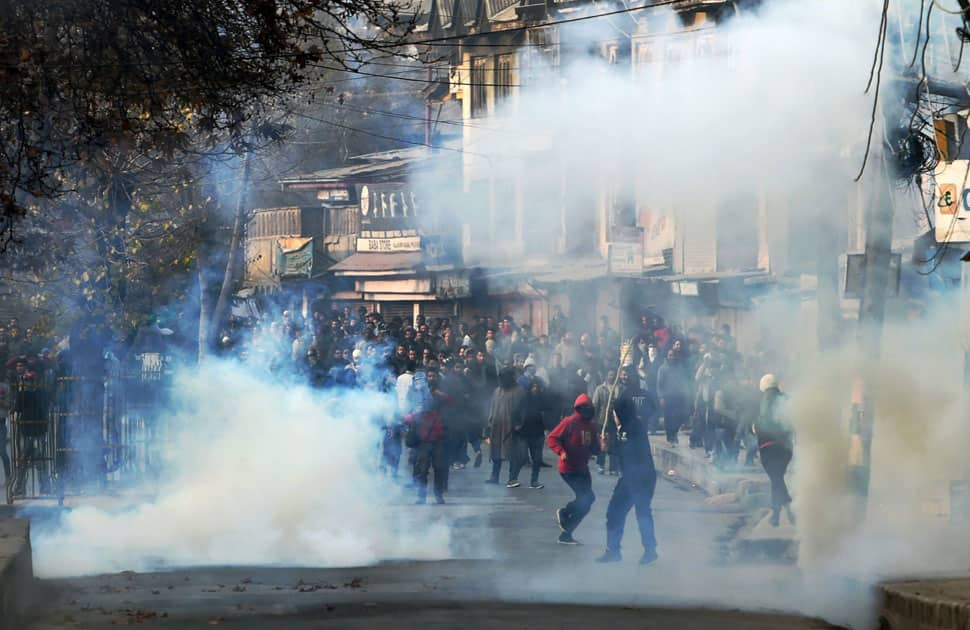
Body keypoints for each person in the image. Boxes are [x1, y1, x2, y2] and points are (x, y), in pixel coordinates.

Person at [596, 373, 659, 566]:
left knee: (629, 512)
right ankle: (623, 550)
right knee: (628, 512)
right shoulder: (629, 426)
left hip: (638, 478)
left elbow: (627, 451)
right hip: (637, 476)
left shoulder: (630, 428)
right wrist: (608, 445)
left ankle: (643, 551)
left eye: (615, 413)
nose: (613, 416)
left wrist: (609, 447)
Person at [547, 393, 601, 545]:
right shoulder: (569, 422)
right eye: (584, 408)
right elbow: (552, 438)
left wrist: (602, 446)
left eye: (590, 408)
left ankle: (566, 534)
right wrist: (561, 451)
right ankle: (565, 512)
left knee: (587, 500)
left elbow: (594, 449)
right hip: (569, 469)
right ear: (578, 408)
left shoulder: (591, 426)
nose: (587, 411)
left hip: (583, 468)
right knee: (586, 498)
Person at [756, 374, 795, 527]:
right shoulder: (787, 398)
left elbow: (765, 422)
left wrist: (755, 427)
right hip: (786, 448)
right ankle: (776, 515)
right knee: (777, 479)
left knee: (776, 479)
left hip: (769, 446)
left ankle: (787, 505)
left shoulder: (765, 399)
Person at [405, 386, 448, 505]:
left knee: (438, 469)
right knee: (422, 470)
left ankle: (437, 495)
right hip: (424, 444)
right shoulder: (416, 414)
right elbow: (406, 420)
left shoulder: (436, 414)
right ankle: (422, 496)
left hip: (436, 443)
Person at [484, 368, 525, 485]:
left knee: (513, 453)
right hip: (496, 426)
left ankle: (512, 478)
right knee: (496, 452)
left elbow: (523, 409)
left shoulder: (519, 391)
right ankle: (494, 477)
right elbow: (492, 407)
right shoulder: (497, 391)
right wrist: (489, 423)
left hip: (511, 426)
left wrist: (519, 424)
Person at [508, 379, 547, 489]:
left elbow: (549, 413)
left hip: (538, 433)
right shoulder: (523, 399)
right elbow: (514, 413)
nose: (535, 389)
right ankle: (512, 479)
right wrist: (516, 425)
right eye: (533, 386)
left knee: (537, 459)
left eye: (537, 387)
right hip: (523, 433)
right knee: (520, 457)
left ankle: (534, 481)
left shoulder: (543, 400)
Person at [657, 349, 689, 446]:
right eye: (670, 355)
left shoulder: (680, 367)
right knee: (668, 418)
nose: (672, 357)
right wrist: (661, 397)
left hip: (679, 396)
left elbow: (684, 381)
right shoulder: (662, 368)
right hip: (667, 397)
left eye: (673, 355)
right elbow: (659, 384)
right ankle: (671, 437)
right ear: (667, 356)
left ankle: (674, 433)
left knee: (678, 416)